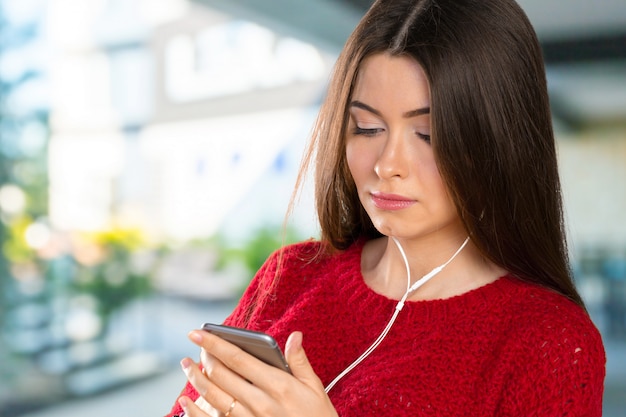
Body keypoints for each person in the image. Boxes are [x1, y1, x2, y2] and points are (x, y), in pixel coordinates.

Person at [166, 0, 606, 415]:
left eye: (429, 135)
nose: (387, 165)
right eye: (367, 127)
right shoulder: (289, 275)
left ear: (498, 142)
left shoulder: (550, 344)